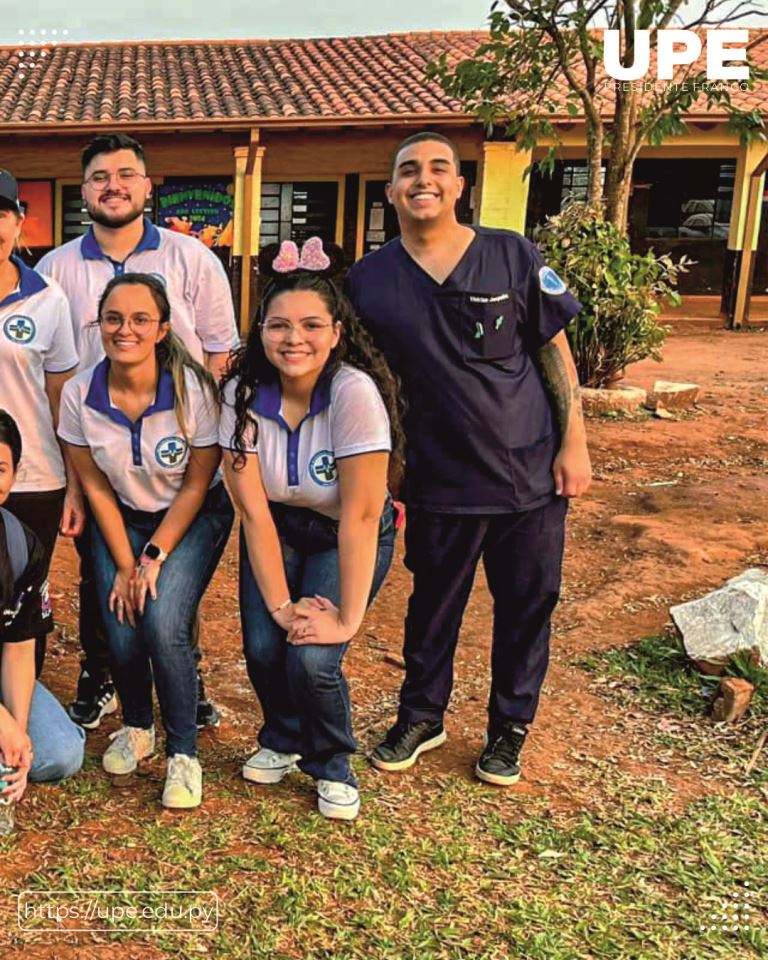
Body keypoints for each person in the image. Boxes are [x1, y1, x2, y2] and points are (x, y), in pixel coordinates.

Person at [345, 132, 592, 786]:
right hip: (435, 479)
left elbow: (553, 351)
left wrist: (576, 441)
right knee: (432, 607)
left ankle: (509, 730)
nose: (422, 179)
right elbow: (364, 380)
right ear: (392, 190)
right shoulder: (368, 282)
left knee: (526, 607)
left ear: (458, 187)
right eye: (407, 170)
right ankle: (422, 715)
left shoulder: (511, 256)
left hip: (528, 476)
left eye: (438, 169)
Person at [38, 133, 239, 730]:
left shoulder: (190, 258)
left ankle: (186, 673)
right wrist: (75, 482)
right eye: (100, 176)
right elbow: (57, 372)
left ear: (148, 186)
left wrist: (212, 440)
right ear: (84, 190)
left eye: (126, 174)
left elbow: (221, 355)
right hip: (99, 452)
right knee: (103, 568)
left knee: (174, 584)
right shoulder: (56, 269)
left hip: (179, 454)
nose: (113, 186)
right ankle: (100, 675)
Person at [220, 238, 403, 820]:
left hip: (345, 532)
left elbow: (362, 515)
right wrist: (278, 605)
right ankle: (282, 734)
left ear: (335, 332)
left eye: (309, 325)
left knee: (315, 657)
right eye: (277, 325)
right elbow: (252, 513)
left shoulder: (353, 394)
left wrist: (346, 617)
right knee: (264, 647)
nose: (292, 338)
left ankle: (330, 761)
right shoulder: (239, 394)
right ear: (261, 332)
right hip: (275, 528)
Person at [57, 273, 234, 809]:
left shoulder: (194, 389)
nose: (124, 329)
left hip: (193, 515)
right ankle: (138, 726)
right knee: (121, 617)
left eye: (139, 319)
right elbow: (95, 487)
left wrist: (152, 558)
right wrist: (125, 564)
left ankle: (183, 751)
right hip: (123, 515)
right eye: (113, 318)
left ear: (162, 329)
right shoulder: (78, 394)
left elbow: (199, 482)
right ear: (99, 325)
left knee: (160, 619)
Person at [0, 170, 83, 676]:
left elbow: (61, 397)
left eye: (0, 213)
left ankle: (20, 708)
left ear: (18, 221)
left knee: (21, 595)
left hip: (33, 479)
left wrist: (73, 484)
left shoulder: (47, 297)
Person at [0, 410, 85, 806]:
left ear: (14, 476)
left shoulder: (21, 544)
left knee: (58, 754)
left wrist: (15, 737)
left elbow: (19, 647)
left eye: (0, 468)